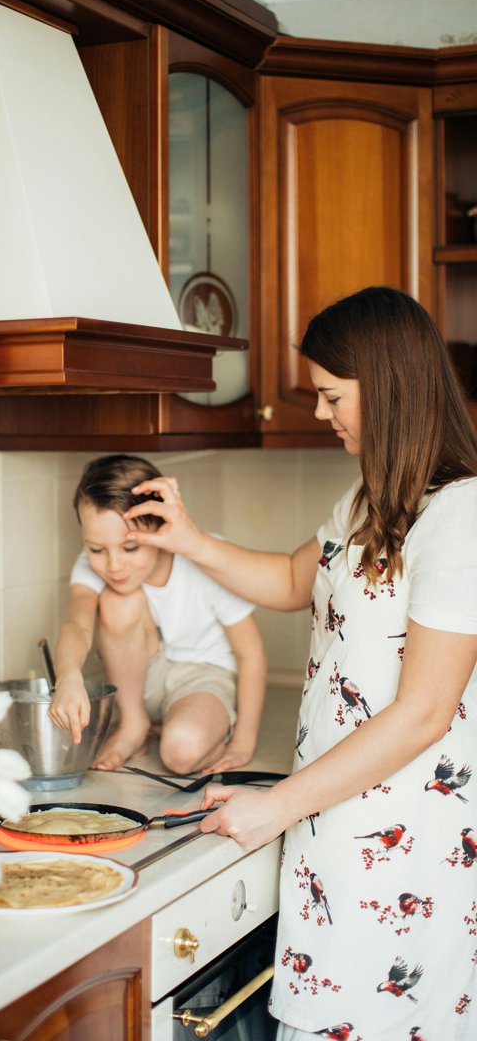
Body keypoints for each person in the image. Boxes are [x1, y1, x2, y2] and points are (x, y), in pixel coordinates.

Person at [123, 287, 477, 1041]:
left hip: (404, 843)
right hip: (336, 816)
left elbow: (424, 713)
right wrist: (186, 539)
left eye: (330, 395)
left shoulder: (461, 516)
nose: (320, 413)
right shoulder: (371, 496)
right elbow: (293, 581)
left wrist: (278, 804)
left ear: (386, 387)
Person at [48, 453, 267, 775]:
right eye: (96, 550)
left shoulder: (205, 557)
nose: (114, 565)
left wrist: (243, 743)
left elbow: (252, 655)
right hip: (140, 681)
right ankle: (135, 724)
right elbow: (77, 624)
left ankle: (197, 729)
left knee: (181, 753)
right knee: (116, 600)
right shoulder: (99, 562)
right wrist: (68, 677)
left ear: (162, 526)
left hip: (203, 678)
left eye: (130, 548)